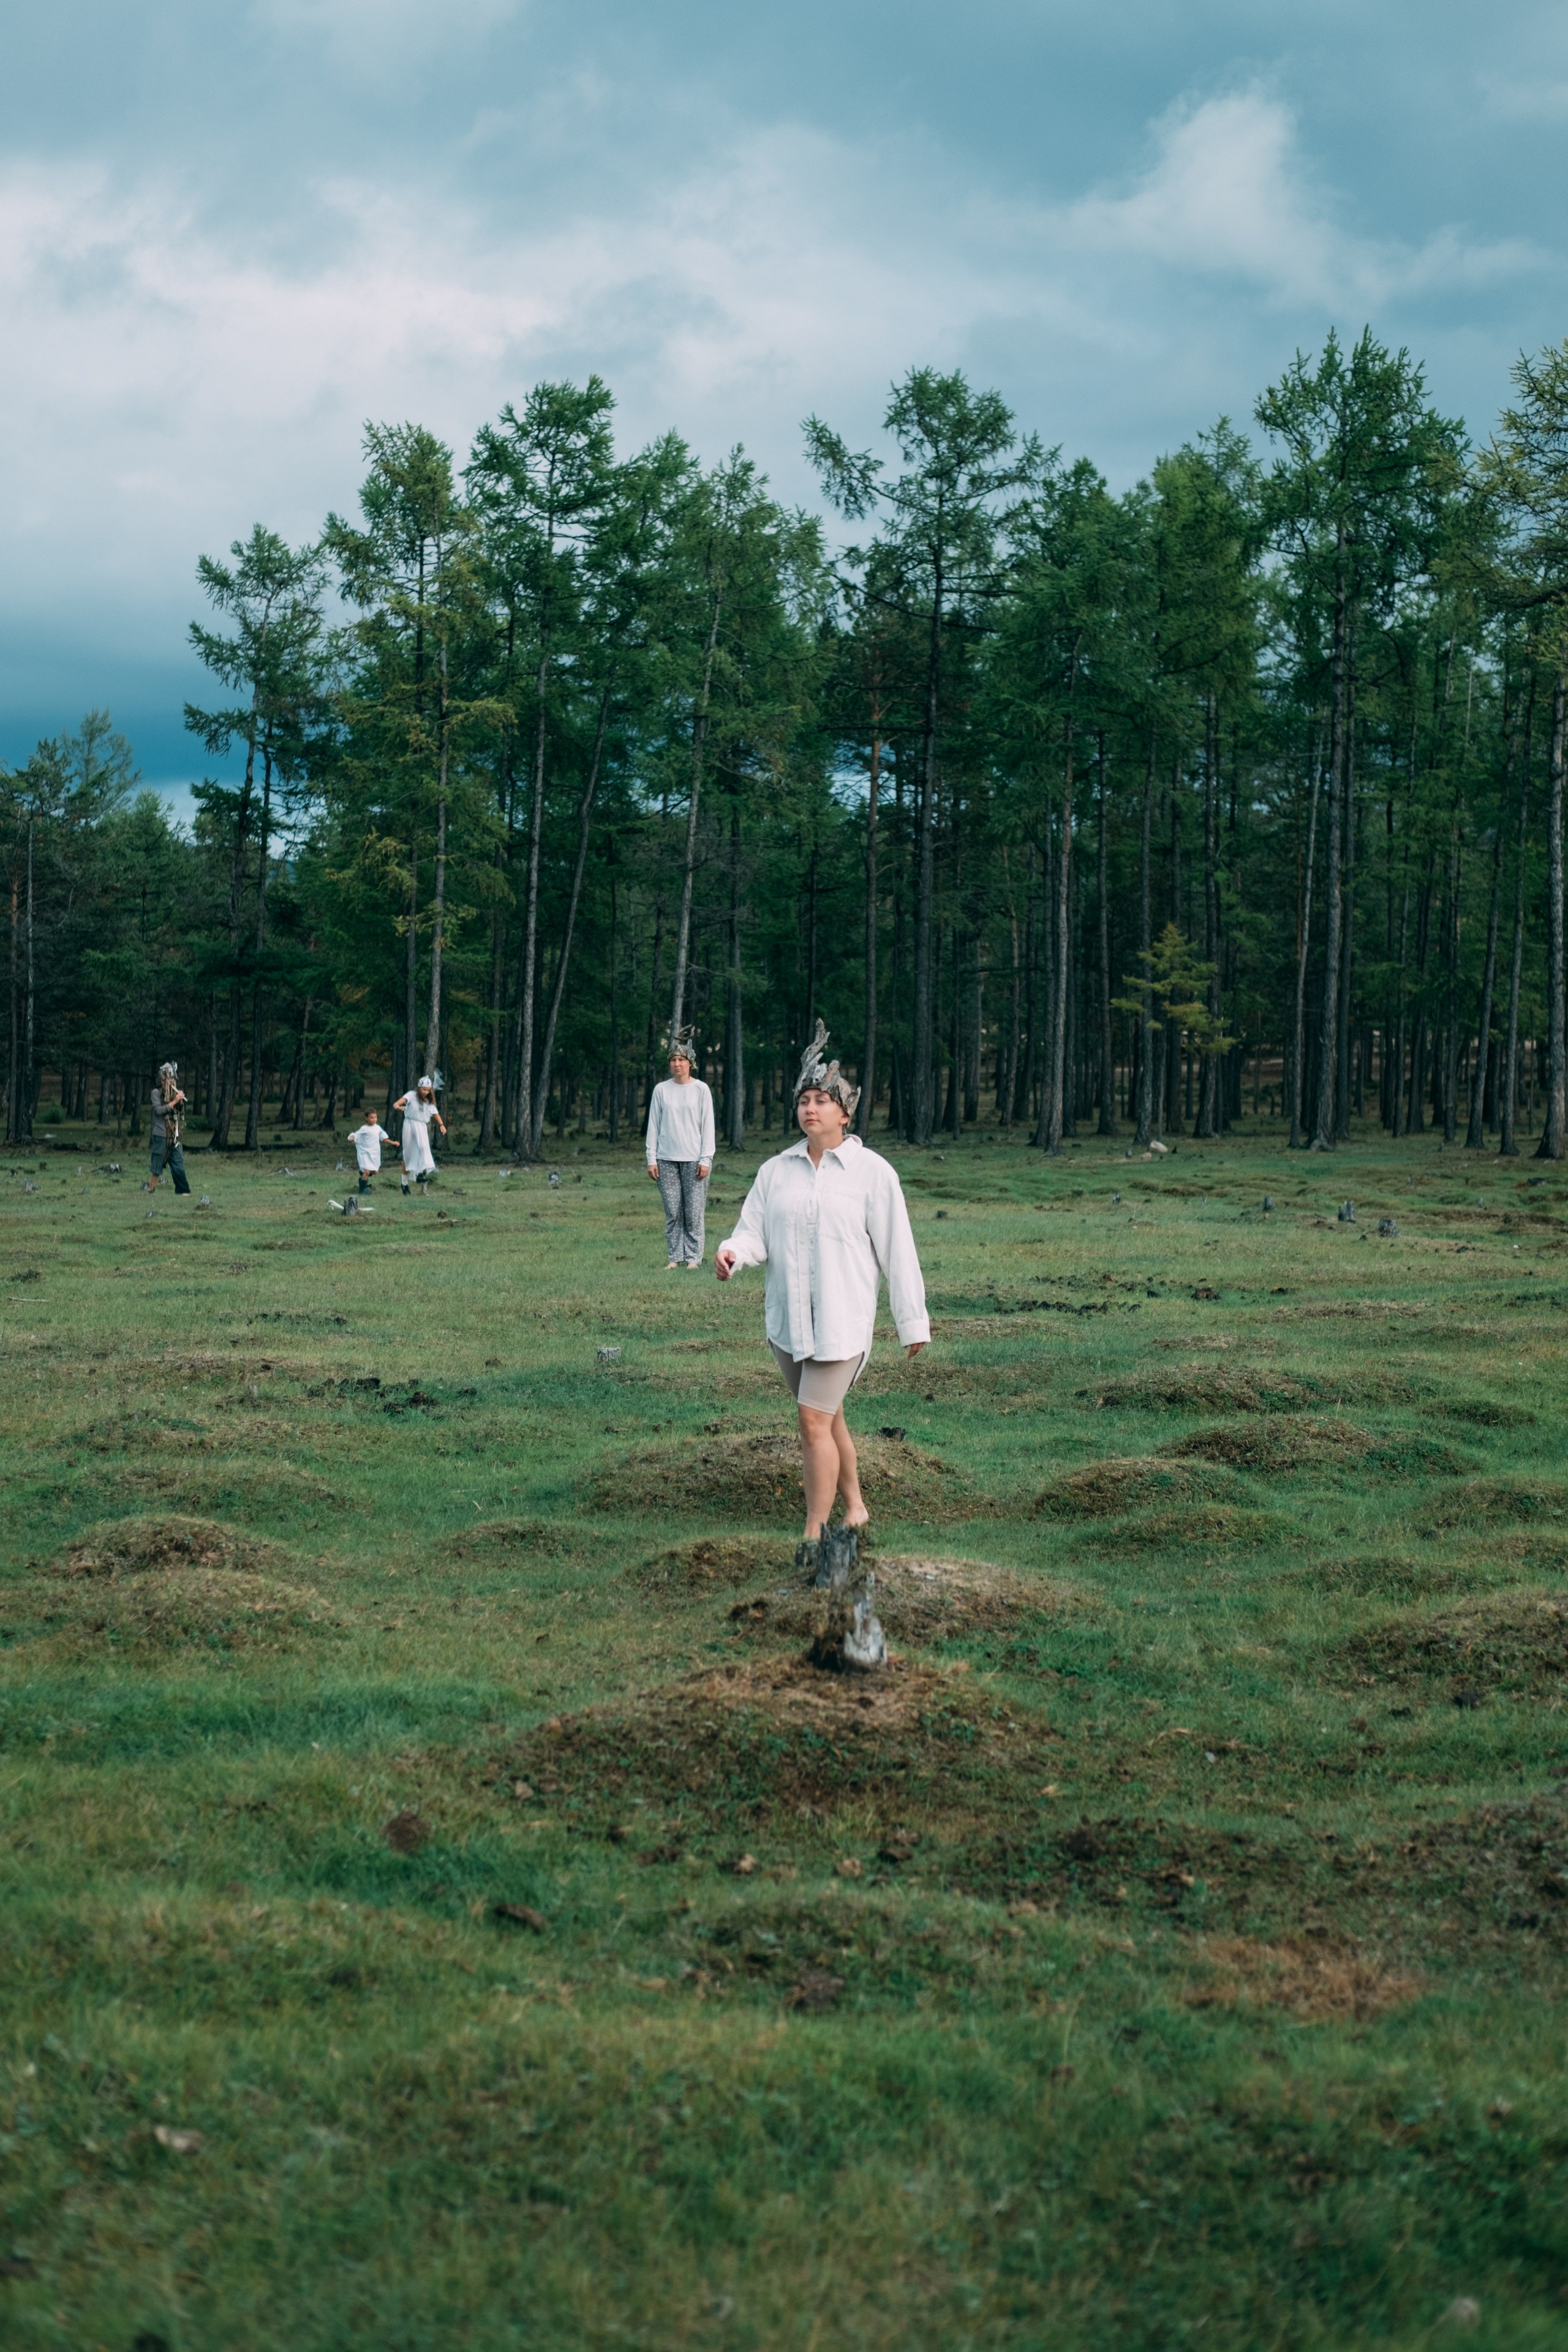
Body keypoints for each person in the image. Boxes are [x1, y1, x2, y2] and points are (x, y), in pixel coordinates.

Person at [715, 1021, 928, 1544]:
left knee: (811, 1421)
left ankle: (815, 1530)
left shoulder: (873, 1174)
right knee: (828, 1421)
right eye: (804, 1100)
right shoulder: (775, 1171)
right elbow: (754, 1233)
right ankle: (855, 1506)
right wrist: (732, 1253)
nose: (811, 1109)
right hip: (788, 1321)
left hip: (842, 1321)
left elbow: (898, 1250)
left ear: (845, 1112)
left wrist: (912, 1322)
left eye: (822, 1100)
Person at [645, 1027, 715, 1269]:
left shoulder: (701, 1090)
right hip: (666, 1159)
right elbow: (653, 1125)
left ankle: (694, 1258)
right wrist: (651, 1158)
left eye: (682, 1060)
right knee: (673, 1211)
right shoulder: (661, 1090)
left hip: (694, 1159)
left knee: (693, 1212)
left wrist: (706, 1159)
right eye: (674, 1060)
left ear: (690, 1063)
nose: (677, 1064)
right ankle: (675, 1257)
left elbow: (708, 1127)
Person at [390, 1076, 446, 1194]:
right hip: (410, 1125)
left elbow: (435, 1113)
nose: (425, 1092)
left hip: (421, 1126)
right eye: (423, 1090)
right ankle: (404, 1185)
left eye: (427, 1090)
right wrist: (398, 1107)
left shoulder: (429, 1101)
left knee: (424, 1148)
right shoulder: (411, 1095)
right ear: (419, 1088)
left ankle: (420, 1173)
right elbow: (396, 1103)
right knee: (408, 1155)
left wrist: (441, 1125)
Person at [146, 1061, 190, 1196]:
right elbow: (158, 1110)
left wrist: (180, 1103)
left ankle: (183, 1191)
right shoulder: (156, 1093)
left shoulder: (174, 1094)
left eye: (172, 1080)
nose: (171, 1083)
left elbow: (179, 1111)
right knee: (157, 1164)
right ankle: (151, 1189)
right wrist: (174, 1102)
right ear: (162, 1081)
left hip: (174, 1134)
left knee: (178, 1162)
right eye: (168, 1080)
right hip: (161, 1134)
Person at [345, 1105, 387, 1194]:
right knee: (367, 1172)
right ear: (366, 1118)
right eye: (372, 1118)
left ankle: (363, 1174)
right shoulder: (364, 1129)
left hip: (374, 1152)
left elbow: (383, 1137)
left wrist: (394, 1143)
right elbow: (357, 1135)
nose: (374, 1119)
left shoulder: (377, 1128)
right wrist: (352, 1138)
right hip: (365, 1152)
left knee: (375, 1172)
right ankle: (363, 1190)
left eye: (375, 1117)